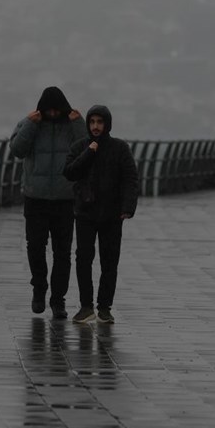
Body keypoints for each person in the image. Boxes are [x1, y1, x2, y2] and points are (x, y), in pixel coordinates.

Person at [9, 86, 85, 320]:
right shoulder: (30, 122)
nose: (53, 113)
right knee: (35, 247)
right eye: (49, 110)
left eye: (57, 110)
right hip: (35, 198)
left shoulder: (71, 125)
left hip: (65, 198)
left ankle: (58, 300)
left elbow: (87, 150)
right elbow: (17, 150)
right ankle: (39, 289)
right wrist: (31, 124)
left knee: (62, 252)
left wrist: (78, 123)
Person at [63, 105, 139, 324]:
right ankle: (86, 307)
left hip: (112, 214)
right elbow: (69, 172)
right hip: (85, 212)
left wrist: (127, 207)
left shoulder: (119, 148)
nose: (96, 126)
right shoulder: (80, 147)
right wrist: (89, 152)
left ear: (107, 124)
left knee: (109, 260)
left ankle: (104, 307)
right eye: (92, 122)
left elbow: (130, 179)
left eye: (100, 122)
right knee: (83, 259)